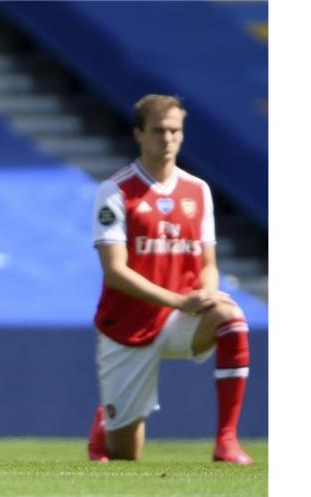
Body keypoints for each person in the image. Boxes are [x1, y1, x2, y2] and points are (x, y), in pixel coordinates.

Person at [87, 94, 253, 464]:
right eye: (159, 130)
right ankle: (106, 424)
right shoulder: (115, 191)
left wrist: (208, 292)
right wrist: (179, 300)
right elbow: (115, 272)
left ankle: (226, 440)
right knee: (125, 455)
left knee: (233, 319)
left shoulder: (198, 190)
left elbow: (208, 261)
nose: (168, 139)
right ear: (139, 134)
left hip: (182, 317)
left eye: (175, 131)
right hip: (128, 323)